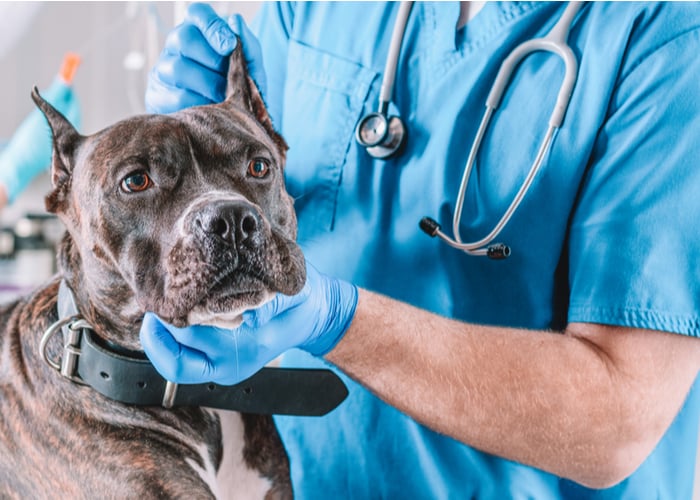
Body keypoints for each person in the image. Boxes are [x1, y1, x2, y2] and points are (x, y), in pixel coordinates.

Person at [140, 2, 700, 498]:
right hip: (310, 481)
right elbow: (267, 202)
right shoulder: (307, 10)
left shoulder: (661, 30)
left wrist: (337, 321)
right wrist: (197, 137)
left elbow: (618, 418)